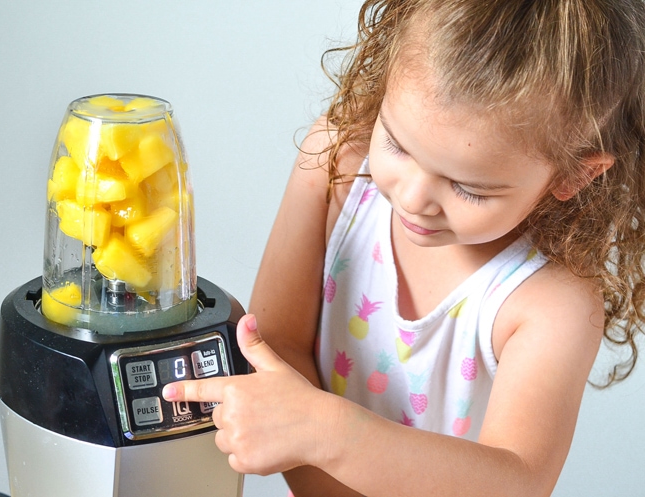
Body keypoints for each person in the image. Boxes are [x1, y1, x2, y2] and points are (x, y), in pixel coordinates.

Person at [163, 1, 645, 495]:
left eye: (469, 189)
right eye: (396, 144)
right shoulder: (336, 163)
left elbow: (519, 480)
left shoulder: (549, 303)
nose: (413, 199)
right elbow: (276, 345)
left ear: (574, 174)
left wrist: (328, 434)